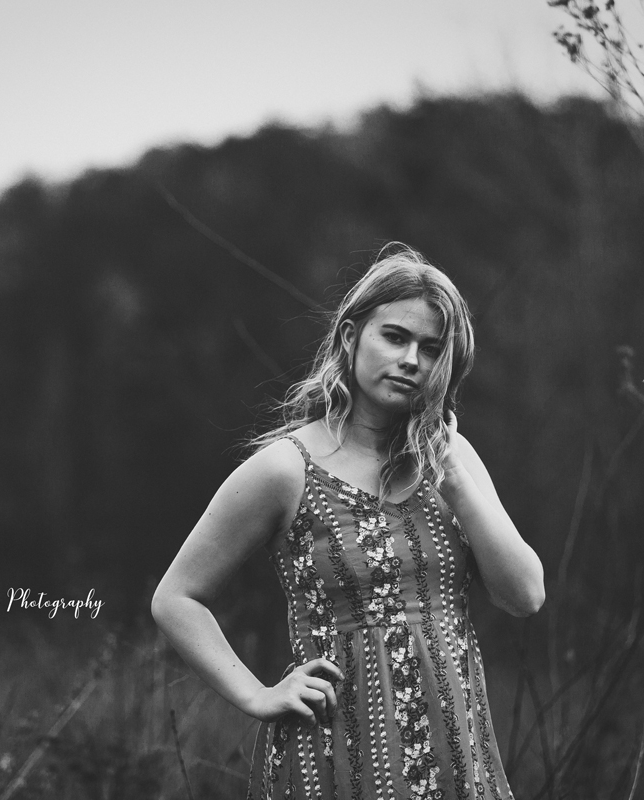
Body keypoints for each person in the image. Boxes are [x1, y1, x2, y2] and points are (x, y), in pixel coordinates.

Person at [151, 243, 545, 800]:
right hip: (335, 756)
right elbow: (176, 598)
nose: (411, 359)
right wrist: (256, 694)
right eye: (395, 336)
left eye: (431, 349)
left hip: (456, 751)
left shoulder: (453, 459)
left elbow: (524, 594)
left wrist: (454, 477)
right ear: (350, 336)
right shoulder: (285, 468)